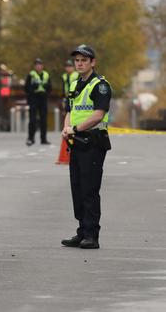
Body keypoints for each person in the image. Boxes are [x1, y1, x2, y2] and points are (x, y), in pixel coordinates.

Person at [60, 44, 112, 249]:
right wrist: (66, 128)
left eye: (84, 60)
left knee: (90, 189)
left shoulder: (100, 85)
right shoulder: (74, 84)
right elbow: (70, 110)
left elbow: (98, 114)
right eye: (77, 60)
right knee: (78, 187)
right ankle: (82, 231)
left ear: (93, 62)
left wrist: (75, 128)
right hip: (77, 141)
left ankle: (92, 235)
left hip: (93, 141)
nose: (79, 63)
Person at [24, 58, 52, 146]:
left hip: (43, 98)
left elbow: (50, 88)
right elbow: (26, 88)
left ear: (42, 66)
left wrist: (47, 88)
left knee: (43, 120)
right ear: (34, 66)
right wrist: (33, 88)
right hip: (34, 98)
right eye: (37, 65)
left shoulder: (46, 75)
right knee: (32, 119)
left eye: (40, 64)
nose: (38, 66)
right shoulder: (31, 75)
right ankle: (30, 138)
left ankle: (43, 139)